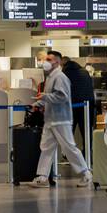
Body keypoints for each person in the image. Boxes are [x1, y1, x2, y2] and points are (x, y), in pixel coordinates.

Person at [27, 50, 92, 188]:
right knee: (46, 148)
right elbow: (50, 97)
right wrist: (36, 104)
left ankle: (86, 174)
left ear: (57, 61)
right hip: (51, 119)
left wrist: (43, 97)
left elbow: (62, 97)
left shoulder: (60, 77)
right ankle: (42, 177)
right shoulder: (51, 77)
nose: (46, 62)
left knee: (69, 148)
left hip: (61, 119)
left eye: (49, 60)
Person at [62, 56, 95, 159]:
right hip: (87, 105)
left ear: (63, 64)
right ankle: (87, 154)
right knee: (86, 132)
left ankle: (69, 155)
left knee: (69, 131)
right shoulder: (84, 71)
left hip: (73, 105)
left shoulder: (65, 73)